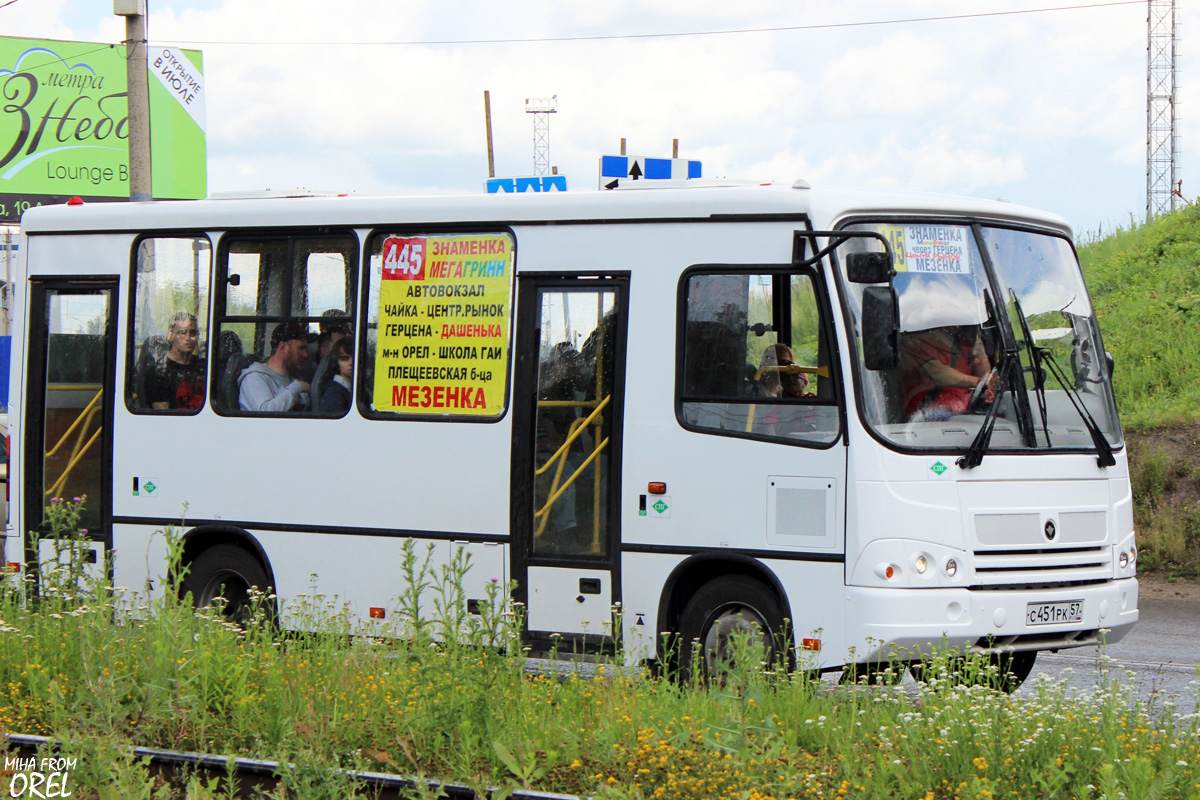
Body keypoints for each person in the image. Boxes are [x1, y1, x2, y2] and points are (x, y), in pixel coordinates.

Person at [900, 325, 995, 421]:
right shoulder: (916, 339)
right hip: (927, 410)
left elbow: (984, 375)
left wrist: (977, 343)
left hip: (960, 407)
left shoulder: (964, 341)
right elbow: (937, 372)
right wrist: (979, 382)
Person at [238, 322, 315, 412]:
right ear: (282, 348)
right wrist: (297, 388)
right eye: (301, 348)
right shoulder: (255, 377)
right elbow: (265, 413)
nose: (305, 354)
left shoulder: (294, 378)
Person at [146, 312, 204, 410]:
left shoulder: (203, 365)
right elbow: (164, 415)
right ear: (170, 336)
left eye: (193, 333)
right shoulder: (160, 371)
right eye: (182, 332)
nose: (188, 338)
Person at [319, 337, 353, 414]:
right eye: (345, 358)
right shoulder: (334, 392)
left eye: (355, 358)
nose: (351, 363)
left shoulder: (354, 388)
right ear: (336, 362)